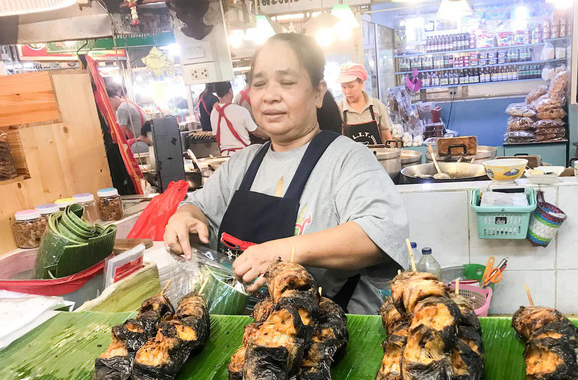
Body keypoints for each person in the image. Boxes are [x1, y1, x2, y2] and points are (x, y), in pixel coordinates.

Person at [163, 33, 409, 314]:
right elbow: (197, 207)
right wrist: (185, 217)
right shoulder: (241, 165)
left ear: (318, 92)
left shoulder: (347, 159)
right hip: (245, 335)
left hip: (325, 339)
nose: (270, 95)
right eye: (259, 83)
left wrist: (281, 252)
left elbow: (379, 235)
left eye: (287, 82)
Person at [337, 63, 393, 145]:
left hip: (376, 156)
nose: (347, 91)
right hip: (351, 157)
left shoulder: (377, 106)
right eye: (343, 87)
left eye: (351, 86)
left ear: (362, 84)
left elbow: (387, 138)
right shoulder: (339, 109)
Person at [211, 81, 267, 156]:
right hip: (242, 155)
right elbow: (256, 132)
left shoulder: (214, 113)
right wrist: (270, 135)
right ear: (230, 91)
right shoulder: (241, 110)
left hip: (225, 157)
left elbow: (215, 134)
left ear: (217, 94)